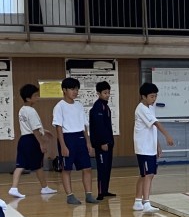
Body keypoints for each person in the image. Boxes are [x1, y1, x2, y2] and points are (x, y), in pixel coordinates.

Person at [53, 77, 97, 205]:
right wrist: (63, 145)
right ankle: (70, 195)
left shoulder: (79, 105)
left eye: (77, 89)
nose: (75, 92)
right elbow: (58, 127)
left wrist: (88, 143)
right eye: (72, 89)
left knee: (87, 168)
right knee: (67, 169)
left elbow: (84, 126)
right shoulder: (59, 106)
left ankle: (89, 194)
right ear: (64, 90)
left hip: (80, 138)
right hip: (67, 138)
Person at [8, 84, 57, 198]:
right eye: (35, 95)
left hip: (23, 139)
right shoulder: (31, 111)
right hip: (32, 140)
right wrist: (42, 143)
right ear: (28, 98)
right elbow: (34, 129)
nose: (37, 97)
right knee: (37, 165)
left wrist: (44, 131)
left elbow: (29, 126)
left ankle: (15, 188)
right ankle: (44, 188)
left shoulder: (22, 110)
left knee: (22, 165)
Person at [133, 82, 175, 212]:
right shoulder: (141, 109)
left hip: (150, 146)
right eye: (151, 96)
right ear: (143, 96)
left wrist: (157, 145)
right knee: (148, 174)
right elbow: (156, 124)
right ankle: (146, 202)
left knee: (144, 174)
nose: (154, 99)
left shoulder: (150, 108)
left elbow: (152, 128)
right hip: (143, 148)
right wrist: (167, 135)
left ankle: (138, 201)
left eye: (155, 96)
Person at [89, 81, 116, 200]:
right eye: (105, 93)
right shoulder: (98, 107)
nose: (107, 95)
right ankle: (100, 193)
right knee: (102, 168)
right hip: (101, 144)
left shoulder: (106, 107)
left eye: (109, 92)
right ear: (98, 93)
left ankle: (105, 190)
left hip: (108, 143)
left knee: (107, 168)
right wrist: (102, 142)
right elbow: (99, 127)